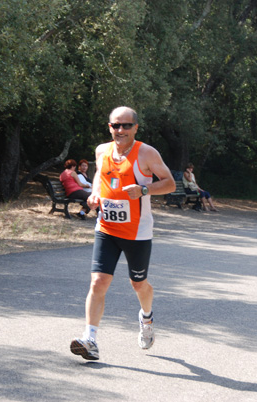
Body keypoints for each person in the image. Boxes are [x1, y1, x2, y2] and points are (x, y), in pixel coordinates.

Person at [69, 106, 176, 361]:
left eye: (126, 125)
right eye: (116, 125)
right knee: (98, 281)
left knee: (138, 284)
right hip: (106, 228)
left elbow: (170, 183)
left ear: (136, 128)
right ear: (109, 127)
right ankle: (90, 339)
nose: (120, 130)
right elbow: (98, 178)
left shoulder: (146, 153)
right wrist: (95, 194)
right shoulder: (102, 150)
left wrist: (143, 190)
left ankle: (146, 317)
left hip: (137, 232)